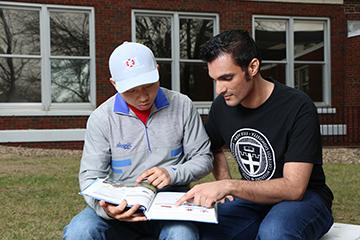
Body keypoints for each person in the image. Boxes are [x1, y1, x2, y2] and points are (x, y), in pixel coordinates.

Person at [177, 29, 334, 239]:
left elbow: (294, 188)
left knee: (274, 232)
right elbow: (212, 147)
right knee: (204, 229)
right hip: (254, 199)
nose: (219, 89)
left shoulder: (297, 106)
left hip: (306, 199)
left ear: (252, 67)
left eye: (227, 78)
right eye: (215, 79)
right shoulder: (221, 108)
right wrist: (226, 186)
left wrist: (228, 186)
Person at [63, 42, 213, 240]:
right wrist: (107, 211)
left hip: (171, 204)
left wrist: (173, 173)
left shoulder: (182, 105)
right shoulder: (101, 118)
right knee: (80, 231)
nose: (143, 97)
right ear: (114, 83)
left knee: (181, 234)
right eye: (131, 90)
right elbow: (90, 178)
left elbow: (203, 158)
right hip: (120, 206)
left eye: (149, 85)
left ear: (157, 72)